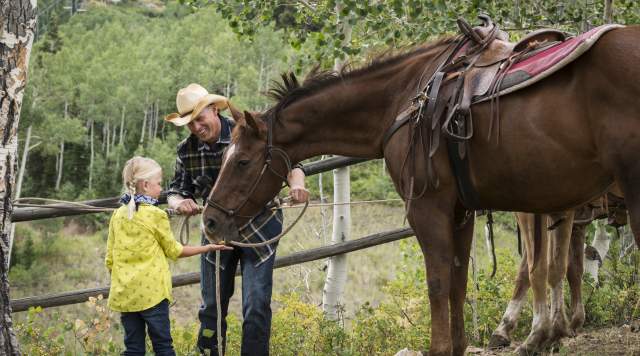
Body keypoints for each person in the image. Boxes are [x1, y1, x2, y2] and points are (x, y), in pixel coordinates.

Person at [164, 84, 308, 355]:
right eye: (189, 123)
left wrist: (296, 184)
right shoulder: (187, 150)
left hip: (259, 229)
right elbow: (176, 189)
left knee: (256, 305)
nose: (196, 127)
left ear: (214, 110)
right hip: (217, 234)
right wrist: (179, 202)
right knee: (211, 307)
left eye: (199, 118)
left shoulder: (247, 132)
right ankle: (209, 352)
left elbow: (291, 163)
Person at [105, 156, 233, 356]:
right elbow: (175, 251)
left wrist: (124, 282)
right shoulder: (156, 215)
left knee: (133, 348)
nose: (161, 189)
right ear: (146, 185)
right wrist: (208, 248)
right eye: (158, 184)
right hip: (152, 295)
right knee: (163, 346)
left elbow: (110, 259)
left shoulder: (118, 214)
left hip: (125, 295)